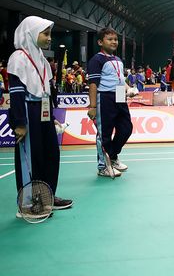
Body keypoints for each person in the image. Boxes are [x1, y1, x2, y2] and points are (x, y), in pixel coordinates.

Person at [8, 16, 73, 215]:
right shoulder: (18, 58)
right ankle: (27, 204)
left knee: (51, 154)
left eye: (50, 34)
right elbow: (16, 94)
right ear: (31, 33)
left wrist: (51, 114)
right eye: (45, 33)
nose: (49, 38)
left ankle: (47, 197)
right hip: (27, 112)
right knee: (31, 157)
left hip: (43, 112)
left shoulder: (42, 59)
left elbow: (46, 91)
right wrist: (20, 122)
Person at [87, 27, 134, 177]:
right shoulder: (97, 60)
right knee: (104, 133)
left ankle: (112, 157)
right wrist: (93, 106)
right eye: (110, 39)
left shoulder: (118, 60)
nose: (114, 42)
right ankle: (103, 166)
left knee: (126, 128)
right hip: (105, 97)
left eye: (116, 39)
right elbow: (93, 84)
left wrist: (128, 88)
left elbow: (120, 79)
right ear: (101, 42)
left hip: (120, 95)